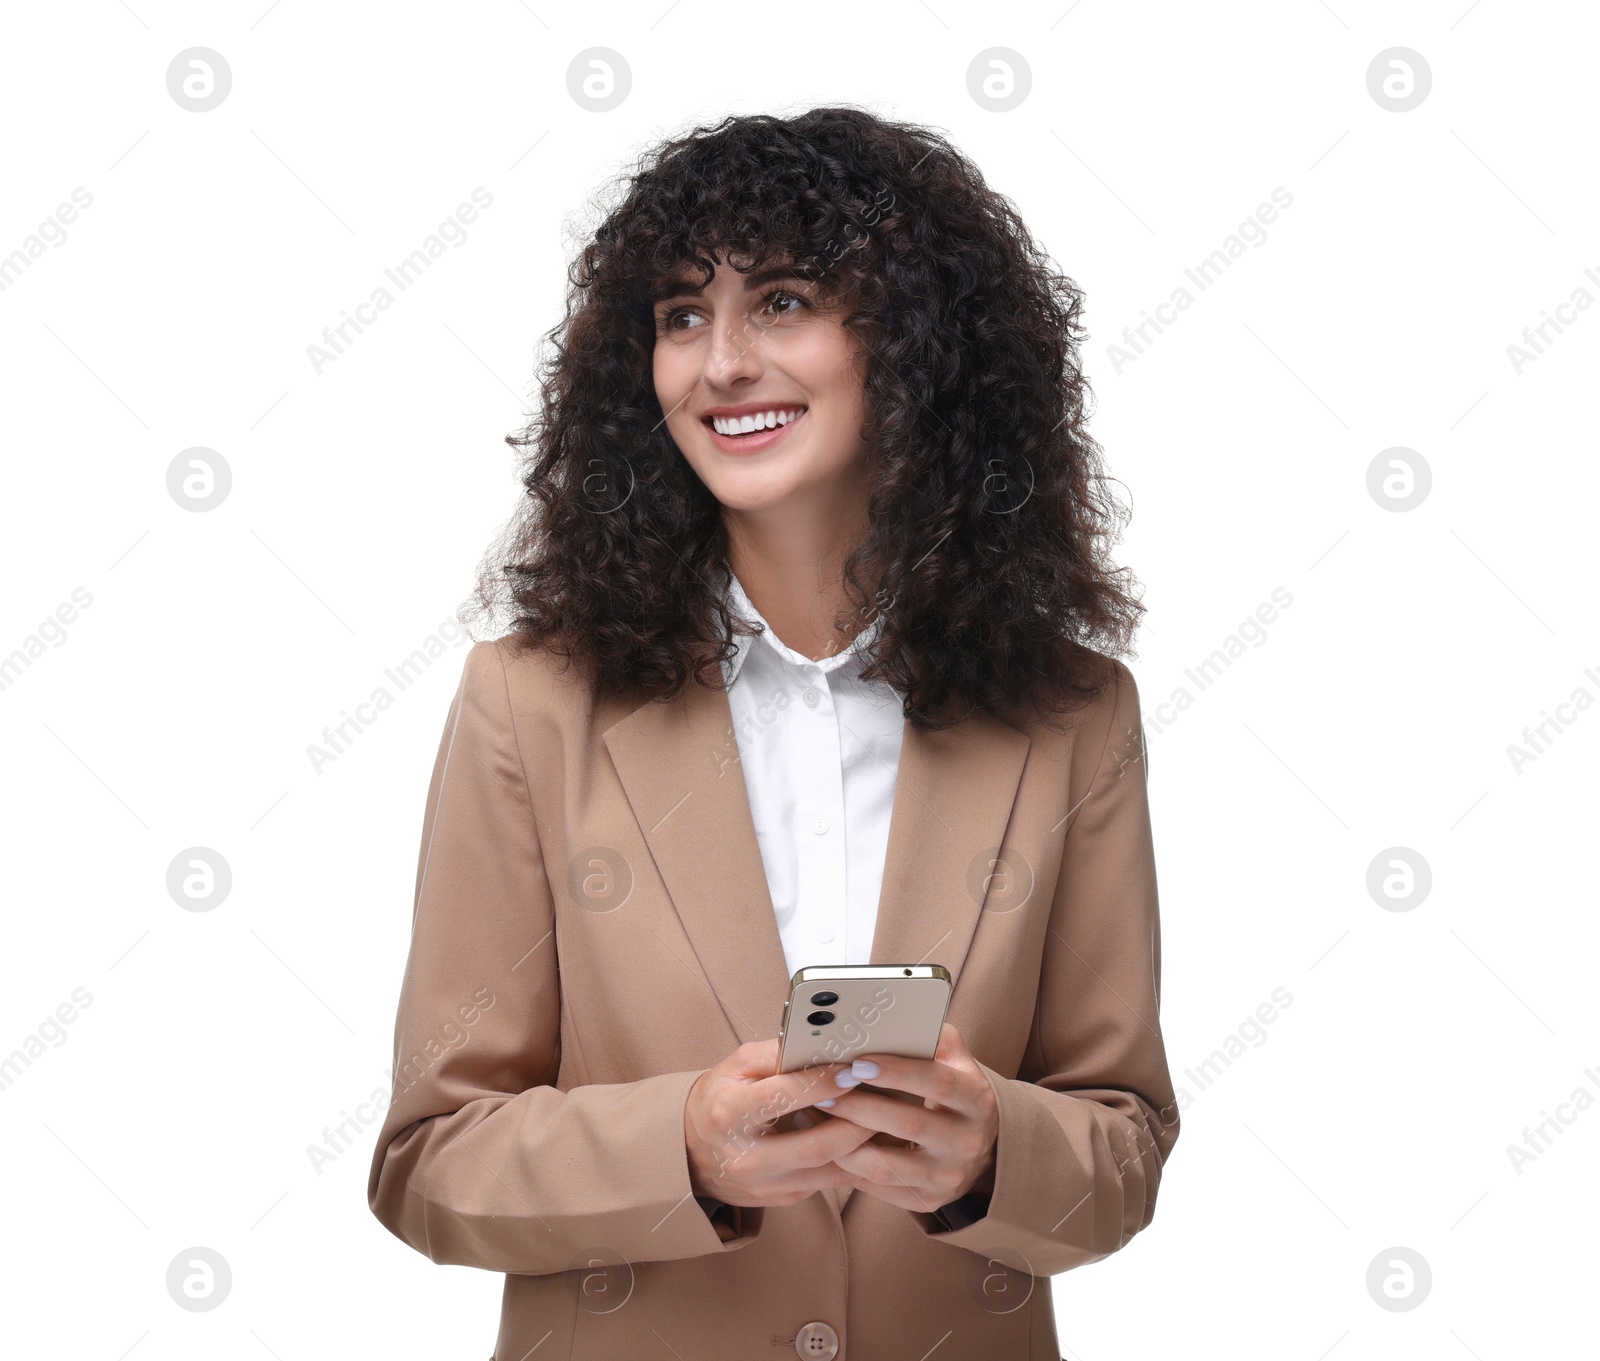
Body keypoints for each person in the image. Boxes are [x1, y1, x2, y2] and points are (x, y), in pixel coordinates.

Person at [367, 105, 1179, 1361]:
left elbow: (1121, 1146)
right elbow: (428, 1160)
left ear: (911, 348)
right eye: (681, 316)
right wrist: (680, 1143)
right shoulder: (529, 704)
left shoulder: (1072, 715)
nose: (720, 362)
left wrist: (993, 1153)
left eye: (783, 301)